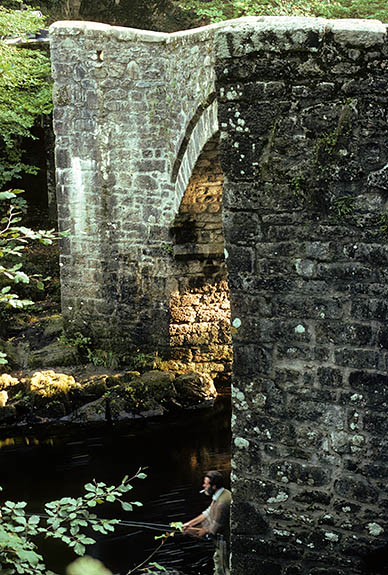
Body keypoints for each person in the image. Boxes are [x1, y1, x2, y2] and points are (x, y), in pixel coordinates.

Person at [182, 470, 231, 575]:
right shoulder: (222, 493)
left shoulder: (221, 504)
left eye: (206, 484)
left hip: (224, 542)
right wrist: (189, 524)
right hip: (222, 540)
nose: (203, 485)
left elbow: (213, 530)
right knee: (219, 563)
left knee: (223, 569)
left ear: (213, 486)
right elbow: (207, 513)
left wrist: (191, 531)